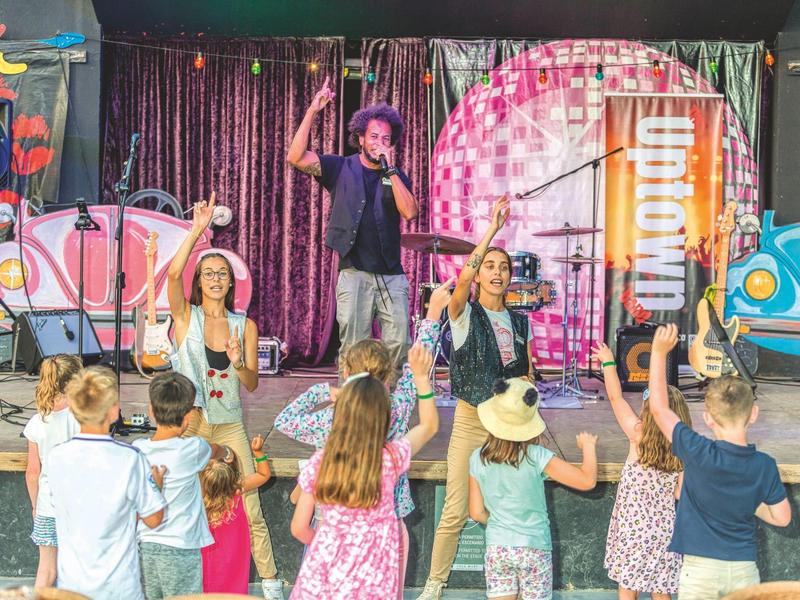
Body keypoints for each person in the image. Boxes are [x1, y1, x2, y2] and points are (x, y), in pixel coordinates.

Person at [275, 277, 453, 597]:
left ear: (346, 370)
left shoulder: (327, 430)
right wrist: (432, 315)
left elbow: (284, 421)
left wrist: (321, 392)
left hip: (330, 536)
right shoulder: (395, 416)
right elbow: (419, 383)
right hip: (384, 542)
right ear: (388, 374)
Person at [418, 195, 540, 599]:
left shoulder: (521, 322)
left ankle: (521, 581)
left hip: (510, 428)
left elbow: (524, 374)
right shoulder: (465, 313)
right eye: (490, 265)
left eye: (503, 267)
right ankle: (435, 583)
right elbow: (464, 279)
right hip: (473, 421)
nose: (497, 272)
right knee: (454, 510)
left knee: (516, 507)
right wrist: (491, 231)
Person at [167, 192, 283, 599]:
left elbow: (250, 383)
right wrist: (197, 230)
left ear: (230, 282)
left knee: (249, 505)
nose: (215, 279)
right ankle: (190, 578)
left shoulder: (243, 325)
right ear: (199, 282)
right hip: (194, 421)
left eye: (222, 274)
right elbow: (170, 277)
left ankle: (269, 581)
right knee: (187, 498)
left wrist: (237, 363)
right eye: (208, 273)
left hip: (230, 420)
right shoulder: (186, 317)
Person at [287, 76, 418, 377]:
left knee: (399, 341)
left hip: (391, 274)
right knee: (353, 346)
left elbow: (410, 212)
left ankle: (386, 402)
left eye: (385, 139)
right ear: (360, 137)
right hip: (354, 271)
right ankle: (352, 405)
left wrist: (392, 170)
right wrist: (312, 111)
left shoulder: (396, 176)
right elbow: (295, 157)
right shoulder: (340, 167)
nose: (379, 143)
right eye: (373, 137)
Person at [649, 324, 791, 599]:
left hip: (700, 572)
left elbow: (658, 409)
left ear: (708, 418)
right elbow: (782, 518)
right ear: (754, 414)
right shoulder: (764, 465)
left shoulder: (696, 450)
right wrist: (751, 501)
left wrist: (657, 353)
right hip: (744, 571)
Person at [289, 344, 439, 599]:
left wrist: (328, 549)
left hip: (324, 577)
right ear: (383, 417)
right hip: (374, 578)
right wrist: (422, 379)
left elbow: (299, 528)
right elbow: (429, 427)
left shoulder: (320, 462)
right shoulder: (390, 460)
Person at [468, 377, 598, 599]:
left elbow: (476, 512)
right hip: (534, 547)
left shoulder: (477, 458)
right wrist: (588, 447)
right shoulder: (537, 456)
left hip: (498, 547)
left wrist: (504, 523)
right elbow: (587, 481)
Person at [47, 367, 166, 600]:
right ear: (113, 411)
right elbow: (154, 518)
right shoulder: (131, 458)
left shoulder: (56, 457)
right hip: (119, 588)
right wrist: (156, 486)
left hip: (72, 587)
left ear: (73, 408)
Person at [592, 342, 690, 600]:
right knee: (661, 590)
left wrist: (608, 362)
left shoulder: (638, 435)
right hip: (665, 532)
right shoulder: (683, 450)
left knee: (628, 588)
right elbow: (680, 493)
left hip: (632, 532)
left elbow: (615, 397)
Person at [133, 372, 231, 599]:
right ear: (188, 418)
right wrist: (227, 452)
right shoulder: (193, 448)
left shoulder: (137, 450)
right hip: (181, 548)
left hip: (143, 545)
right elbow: (215, 450)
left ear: (151, 411)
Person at [23, 354, 82, 588]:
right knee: (77, 568)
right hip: (78, 507)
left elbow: (32, 472)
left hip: (47, 506)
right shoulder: (82, 418)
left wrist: (36, 506)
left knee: (46, 570)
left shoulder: (38, 422)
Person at [199, 435, 271, 593]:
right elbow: (263, 475)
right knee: (233, 586)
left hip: (206, 559)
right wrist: (258, 452)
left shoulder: (198, 499)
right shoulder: (236, 489)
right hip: (234, 557)